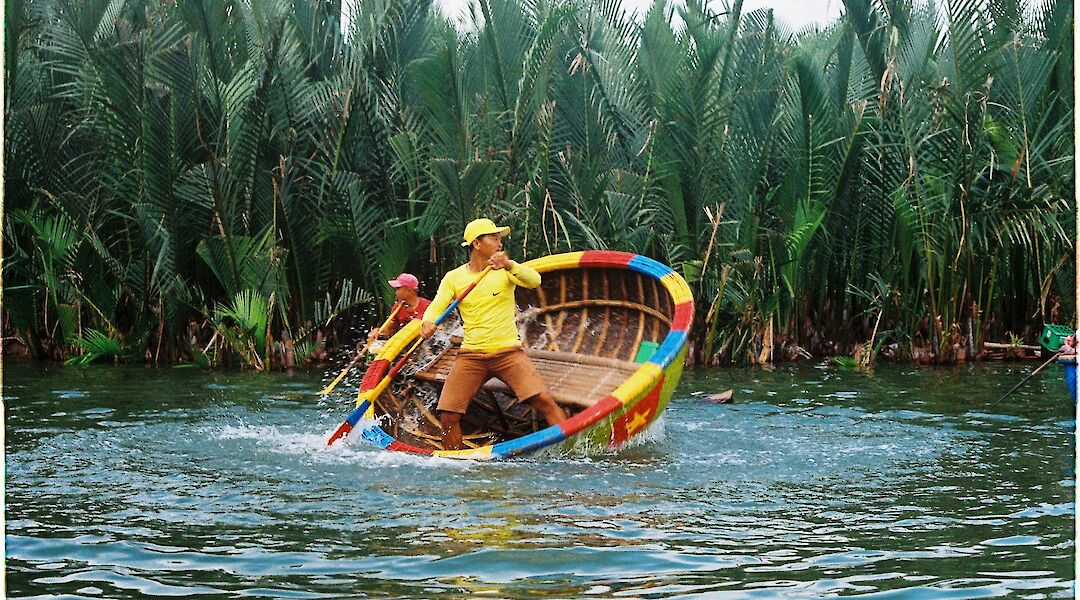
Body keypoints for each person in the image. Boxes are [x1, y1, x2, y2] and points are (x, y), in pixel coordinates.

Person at [420, 218, 568, 450]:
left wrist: (510, 265)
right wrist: (427, 322)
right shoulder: (454, 278)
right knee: (449, 415)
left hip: (507, 351)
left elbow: (534, 280)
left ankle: (568, 446)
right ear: (477, 244)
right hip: (471, 355)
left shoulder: (506, 270)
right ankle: (455, 463)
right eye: (494, 238)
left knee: (543, 400)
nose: (499, 243)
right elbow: (437, 305)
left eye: (500, 239)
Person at [366, 273, 431, 345]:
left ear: (409, 291)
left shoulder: (428, 306)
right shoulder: (397, 308)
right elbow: (389, 329)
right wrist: (378, 331)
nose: (396, 292)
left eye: (398, 289)